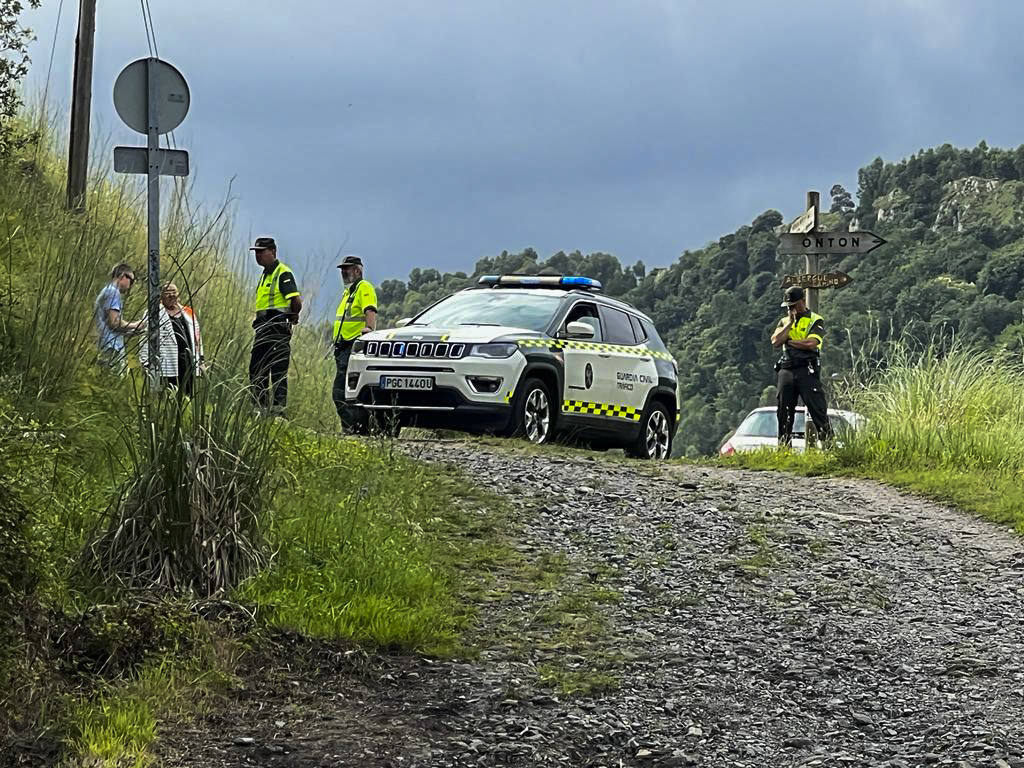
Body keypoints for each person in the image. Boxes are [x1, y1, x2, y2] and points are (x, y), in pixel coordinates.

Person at [770, 286, 833, 447]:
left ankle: (829, 446)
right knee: (784, 410)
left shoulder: (815, 319)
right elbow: (776, 341)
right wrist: (790, 324)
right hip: (787, 368)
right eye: (789, 306)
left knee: (817, 408)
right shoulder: (784, 322)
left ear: (803, 302)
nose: (792, 309)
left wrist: (790, 341)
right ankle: (784, 448)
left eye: (794, 305)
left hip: (807, 368)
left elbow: (811, 343)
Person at [249, 237, 302, 413]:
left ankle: (278, 410)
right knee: (257, 368)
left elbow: (295, 300)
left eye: (261, 251)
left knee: (277, 368)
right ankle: (260, 407)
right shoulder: (265, 275)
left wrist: (292, 316)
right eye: (256, 252)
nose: (258, 255)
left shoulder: (282, 273)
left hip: (277, 327)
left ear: (273, 252)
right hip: (263, 327)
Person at [331, 254, 377, 430]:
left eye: (347, 269)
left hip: (352, 346)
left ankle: (353, 428)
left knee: (340, 392)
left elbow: (370, 310)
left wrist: (369, 331)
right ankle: (353, 428)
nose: (343, 272)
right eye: (342, 269)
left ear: (357, 270)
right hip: (343, 347)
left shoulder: (363, 287)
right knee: (345, 392)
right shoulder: (349, 291)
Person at [139, 282, 203, 395]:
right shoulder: (153, 313)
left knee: (187, 394)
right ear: (161, 296)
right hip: (166, 362)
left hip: (188, 362)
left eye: (174, 292)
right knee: (168, 394)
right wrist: (145, 361)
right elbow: (145, 337)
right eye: (168, 293)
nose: (172, 295)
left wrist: (200, 359)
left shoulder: (188, 312)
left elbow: (197, 337)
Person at [94, 263, 143, 371]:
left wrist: (132, 331)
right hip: (111, 348)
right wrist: (136, 324)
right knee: (111, 382)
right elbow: (114, 323)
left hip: (106, 345)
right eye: (131, 281)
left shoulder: (107, 291)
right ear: (123, 276)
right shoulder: (113, 292)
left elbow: (111, 325)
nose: (131, 285)